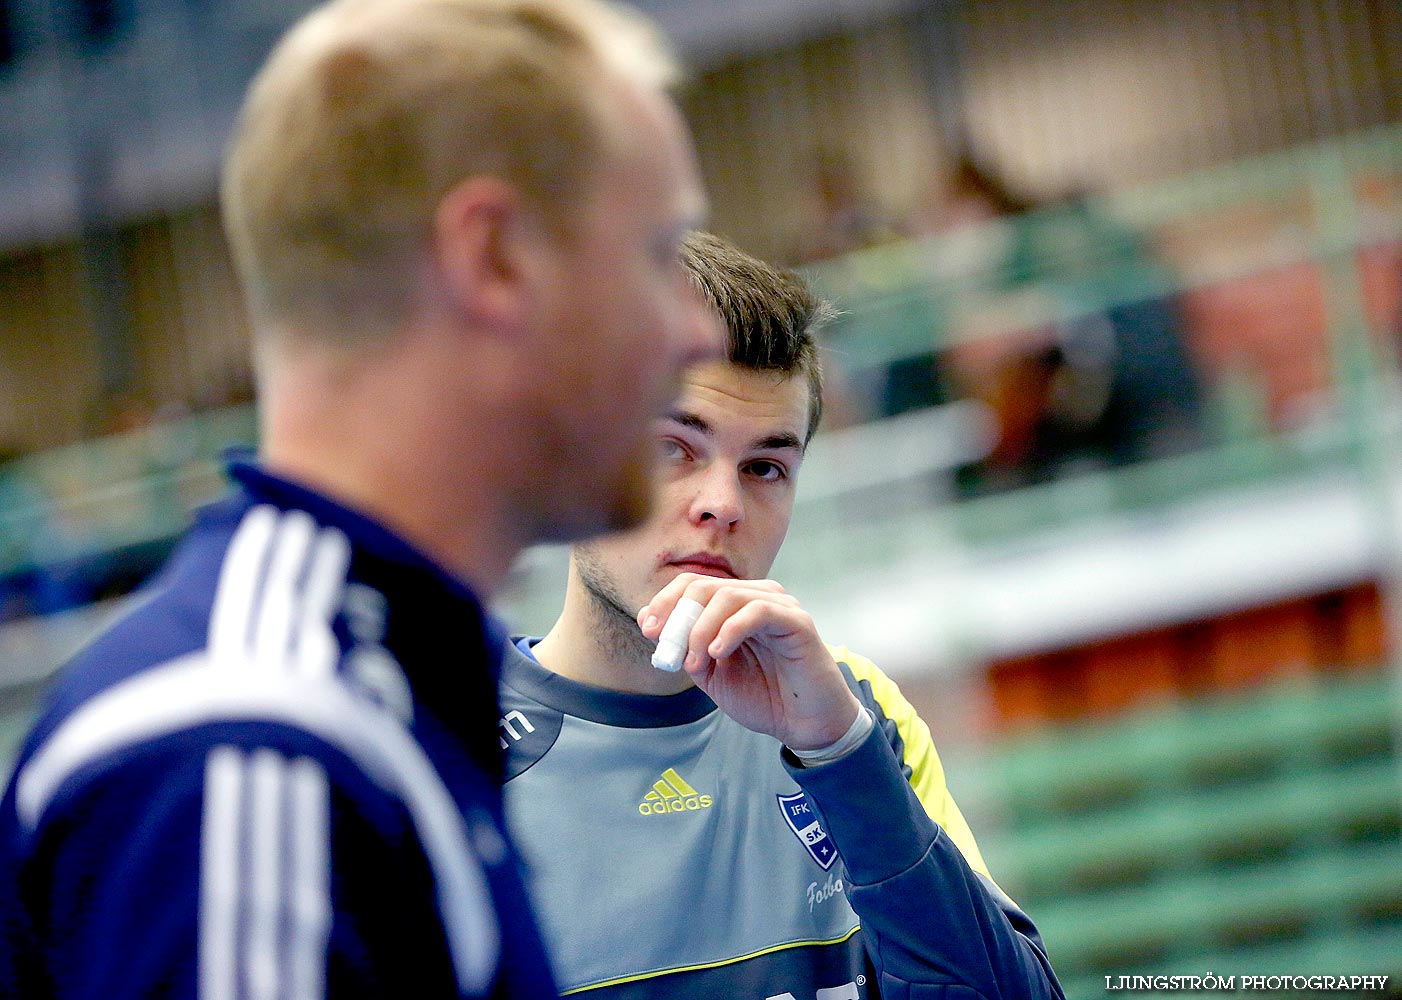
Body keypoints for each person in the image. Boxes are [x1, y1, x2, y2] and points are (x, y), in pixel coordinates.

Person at [0, 0, 719, 996]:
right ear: (495, 258)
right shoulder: (254, 747)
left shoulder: (382, 680)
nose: (697, 335)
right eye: (656, 255)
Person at [499, 231, 1063, 998]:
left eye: (765, 467)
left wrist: (842, 754)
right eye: (674, 449)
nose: (724, 505)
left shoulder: (857, 715)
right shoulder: (446, 758)